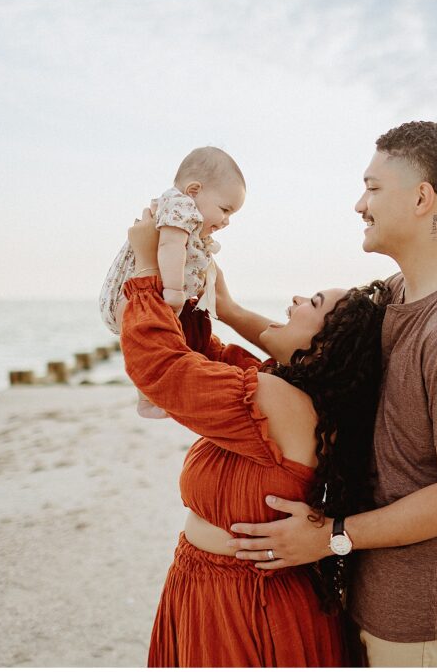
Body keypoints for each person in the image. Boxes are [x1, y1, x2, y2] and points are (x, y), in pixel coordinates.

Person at [227, 121, 437, 667]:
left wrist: (330, 537)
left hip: (418, 614)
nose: (361, 204)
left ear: (422, 198)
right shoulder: (396, 295)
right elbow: (320, 350)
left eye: (374, 188)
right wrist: (228, 310)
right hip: (366, 590)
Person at [119, 205, 390, 666]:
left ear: (323, 348)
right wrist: (197, 290)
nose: (296, 300)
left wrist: (146, 267)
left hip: (245, 606)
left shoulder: (280, 402)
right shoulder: (286, 390)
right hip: (209, 588)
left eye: (314, 304)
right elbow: (205, 353)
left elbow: (162, 366)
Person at [100, 146, 246, 418]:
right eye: (225, 210)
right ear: (194, 191)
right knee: (153, 346)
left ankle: (151, 396)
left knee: (162, 346)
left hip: (150, 295)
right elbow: (170, 246)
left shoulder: (189, 217)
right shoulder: (180, 207)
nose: (226, 221)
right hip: (136, 295)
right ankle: (148, 396)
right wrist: (175, 290)